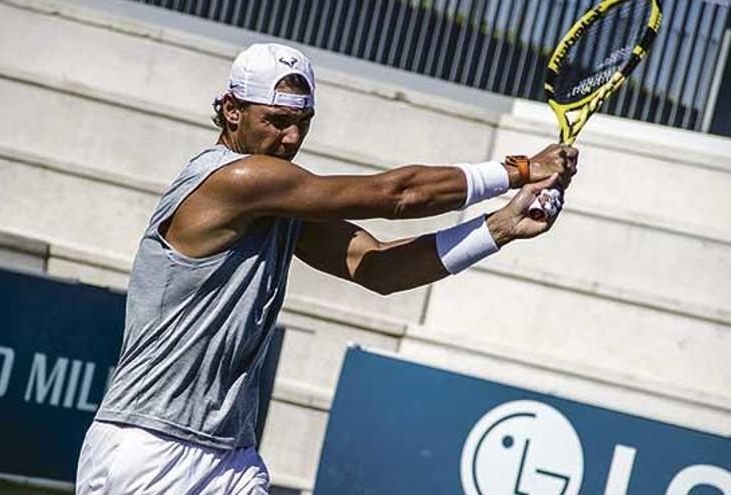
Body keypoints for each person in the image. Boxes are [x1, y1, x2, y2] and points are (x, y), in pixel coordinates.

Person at [76, 43, 577, 495]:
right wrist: (518, 170)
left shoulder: (278, 200)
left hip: (230, 453)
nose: (291, 137)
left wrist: (501, 227)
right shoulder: (236, 179)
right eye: (276, 120)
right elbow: (395, 195)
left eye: (303, 122)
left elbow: (379, 269)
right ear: (231, 111)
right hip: (147, 445)